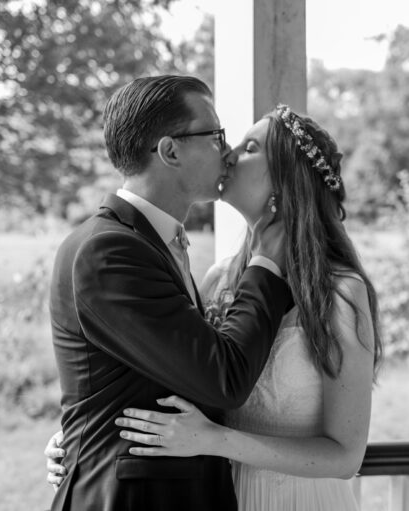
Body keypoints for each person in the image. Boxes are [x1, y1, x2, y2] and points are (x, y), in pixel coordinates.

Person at [47, 104, 383, 510]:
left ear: (287, 180)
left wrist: (216, 440)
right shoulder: (220, 279)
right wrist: (83, 436)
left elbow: (347, 456)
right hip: (219, 496)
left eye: (250, 147)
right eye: (227, 142)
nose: (229, 154)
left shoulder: (341, 293)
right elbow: (181, 371)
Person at [47, 75, 294, 511]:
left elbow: (153, 370)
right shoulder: (109, 251)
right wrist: (267, 261)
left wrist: (85, 429)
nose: (227, 149)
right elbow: (224, 377)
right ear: (170, 150)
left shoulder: (154, 242)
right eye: (215, 135)